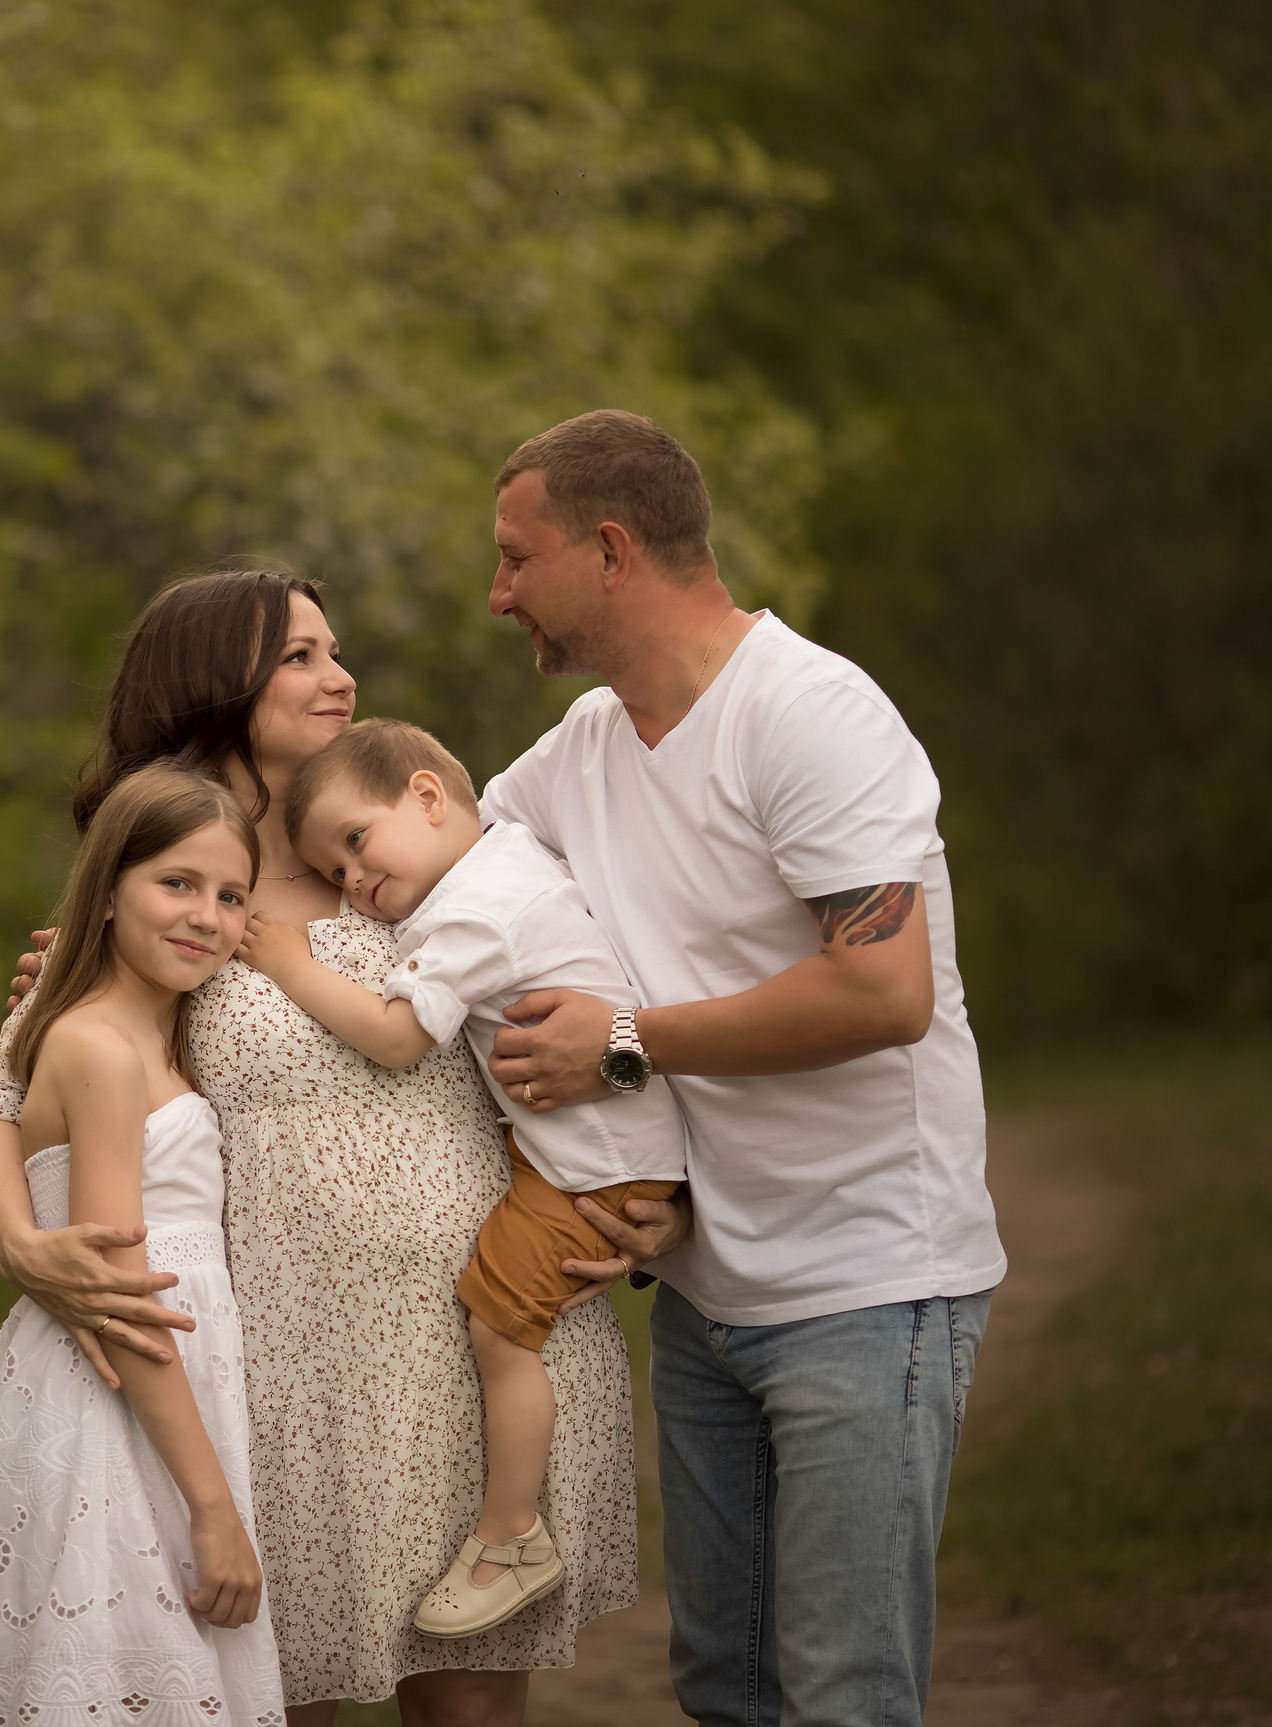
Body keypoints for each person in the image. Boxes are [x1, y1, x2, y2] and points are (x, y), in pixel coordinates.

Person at [0, 568, 661, 1727]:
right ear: (214, 681)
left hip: (482, 1336)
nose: (341, 677)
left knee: (471, 1708)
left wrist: (647, 1192)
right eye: (300, 656)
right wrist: (23, 1246)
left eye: (335, 651)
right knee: (278, 1697)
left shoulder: (423, 854)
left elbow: (603, 1014)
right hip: (276, 1375)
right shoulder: (177, 887)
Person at [476, 410, 1005, 1727]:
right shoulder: (584, 747)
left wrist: (625, 1037)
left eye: (516, 557)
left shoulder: (810, 713)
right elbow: (418, 873)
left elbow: (882, 990)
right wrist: (140, 937)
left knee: (840, 1694)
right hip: (703, 1288)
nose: (497, 593)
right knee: (728, 1685)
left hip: (867, 1278)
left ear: (610, 549)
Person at [237, 718, 686, 1641]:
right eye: (333, 872)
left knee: (498, 1326)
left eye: (356, 841)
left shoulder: (477, 910)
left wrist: (289, 963)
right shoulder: (506, 857)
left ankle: (511, 1535)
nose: (353, 880)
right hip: (595, 1148)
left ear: (428, 796)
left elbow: (398, 1038)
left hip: (592, 1168)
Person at [0, 761, 285, 1726]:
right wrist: (213, 1508)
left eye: (230, 895)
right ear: (107, 890)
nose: (205, 916)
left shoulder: (158, 1036)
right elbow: (121, 1298)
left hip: (168, 1392)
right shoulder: (101, 1048)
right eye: (176, 882)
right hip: (115, 1392)